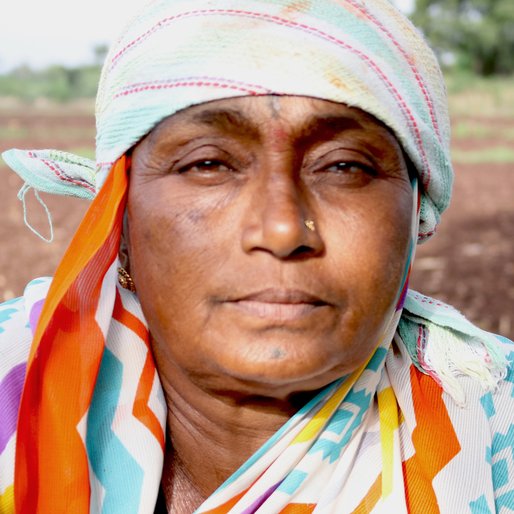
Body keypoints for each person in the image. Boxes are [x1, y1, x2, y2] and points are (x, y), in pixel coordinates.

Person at [1, 1, 513, 513]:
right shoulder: (14, 383)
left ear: (417, 210)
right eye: (207, 163)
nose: (283, 229)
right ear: (121, 217)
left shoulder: (492, 420)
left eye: (344, 167)